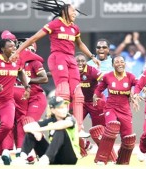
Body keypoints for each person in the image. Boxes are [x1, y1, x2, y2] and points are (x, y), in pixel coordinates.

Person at [10, 0, 100, 134]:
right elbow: (33, 39)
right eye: (72, 11)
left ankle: (79, 128)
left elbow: (80, 44)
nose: (75, 13)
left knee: (78, 94)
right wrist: (17, 52)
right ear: (64, 12)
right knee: (63, 91)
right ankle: (57, 124)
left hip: (71, 59)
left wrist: (92, 56)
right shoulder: (55, 24)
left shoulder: (74, 28)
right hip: (58, 57)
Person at [0, 38, 48, 165]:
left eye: (27, 46)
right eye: (21, 45)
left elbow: (44, 78)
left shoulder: (35, 61)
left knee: (27, 124)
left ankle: (38, 153)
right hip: (21, 97)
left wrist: (27, 80)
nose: (24, 48)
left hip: (36, 97)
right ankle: (22, 153)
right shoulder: (14, 62)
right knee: (13, 124)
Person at [92, 56, 137, 165]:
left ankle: (122, 160)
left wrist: (136, 94)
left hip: (125, 110)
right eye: (117, 62)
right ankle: (101, 159)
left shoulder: (130, 76)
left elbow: (138, 84)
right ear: (113, 65)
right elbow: (99, 88)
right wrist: (95, 96)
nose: (120, 64)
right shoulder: (108, 76)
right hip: (111, 108)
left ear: (125, 64)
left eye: (122, 61)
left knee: (128, 138)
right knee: (111, 128)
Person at [14, 96, 79, 165]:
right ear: (53, 110)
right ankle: (23, 157)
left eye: (65, 107)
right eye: (60, 108)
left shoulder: (70, 118)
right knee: (31, 133)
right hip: (54, 157)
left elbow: (61, 125)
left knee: (60, 130)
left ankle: (46, 158)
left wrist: (39, 129)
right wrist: (35, 132)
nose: (64, 110)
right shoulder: (50, 120)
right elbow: (26, 127)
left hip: (69, 157)